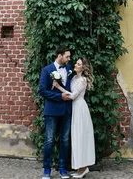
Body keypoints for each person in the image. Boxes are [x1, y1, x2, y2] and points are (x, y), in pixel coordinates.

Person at [53, 57, 95, 178]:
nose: (75, 65)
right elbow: (69, 91)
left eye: (78, 64)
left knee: (81, 136)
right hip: (74, 108)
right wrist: (59, 85)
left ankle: (84, 167)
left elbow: (73, 96)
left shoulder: (82, 80)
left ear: (83, 67)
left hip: (80, 108)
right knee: (76, 137)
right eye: (76, 63)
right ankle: (80, 167)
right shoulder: (74, 78)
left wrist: (58, 87)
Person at [38, 47, 73, 179]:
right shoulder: (47, 70)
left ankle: (63, 168)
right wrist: (59, 97)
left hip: (67, 110)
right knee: (49, 140)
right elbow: (42, 91)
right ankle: (47, 169)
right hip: (52, 110)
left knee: (65, 140)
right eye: (67, 56)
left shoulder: (70, 70)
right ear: (60, 56)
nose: (69, 59)